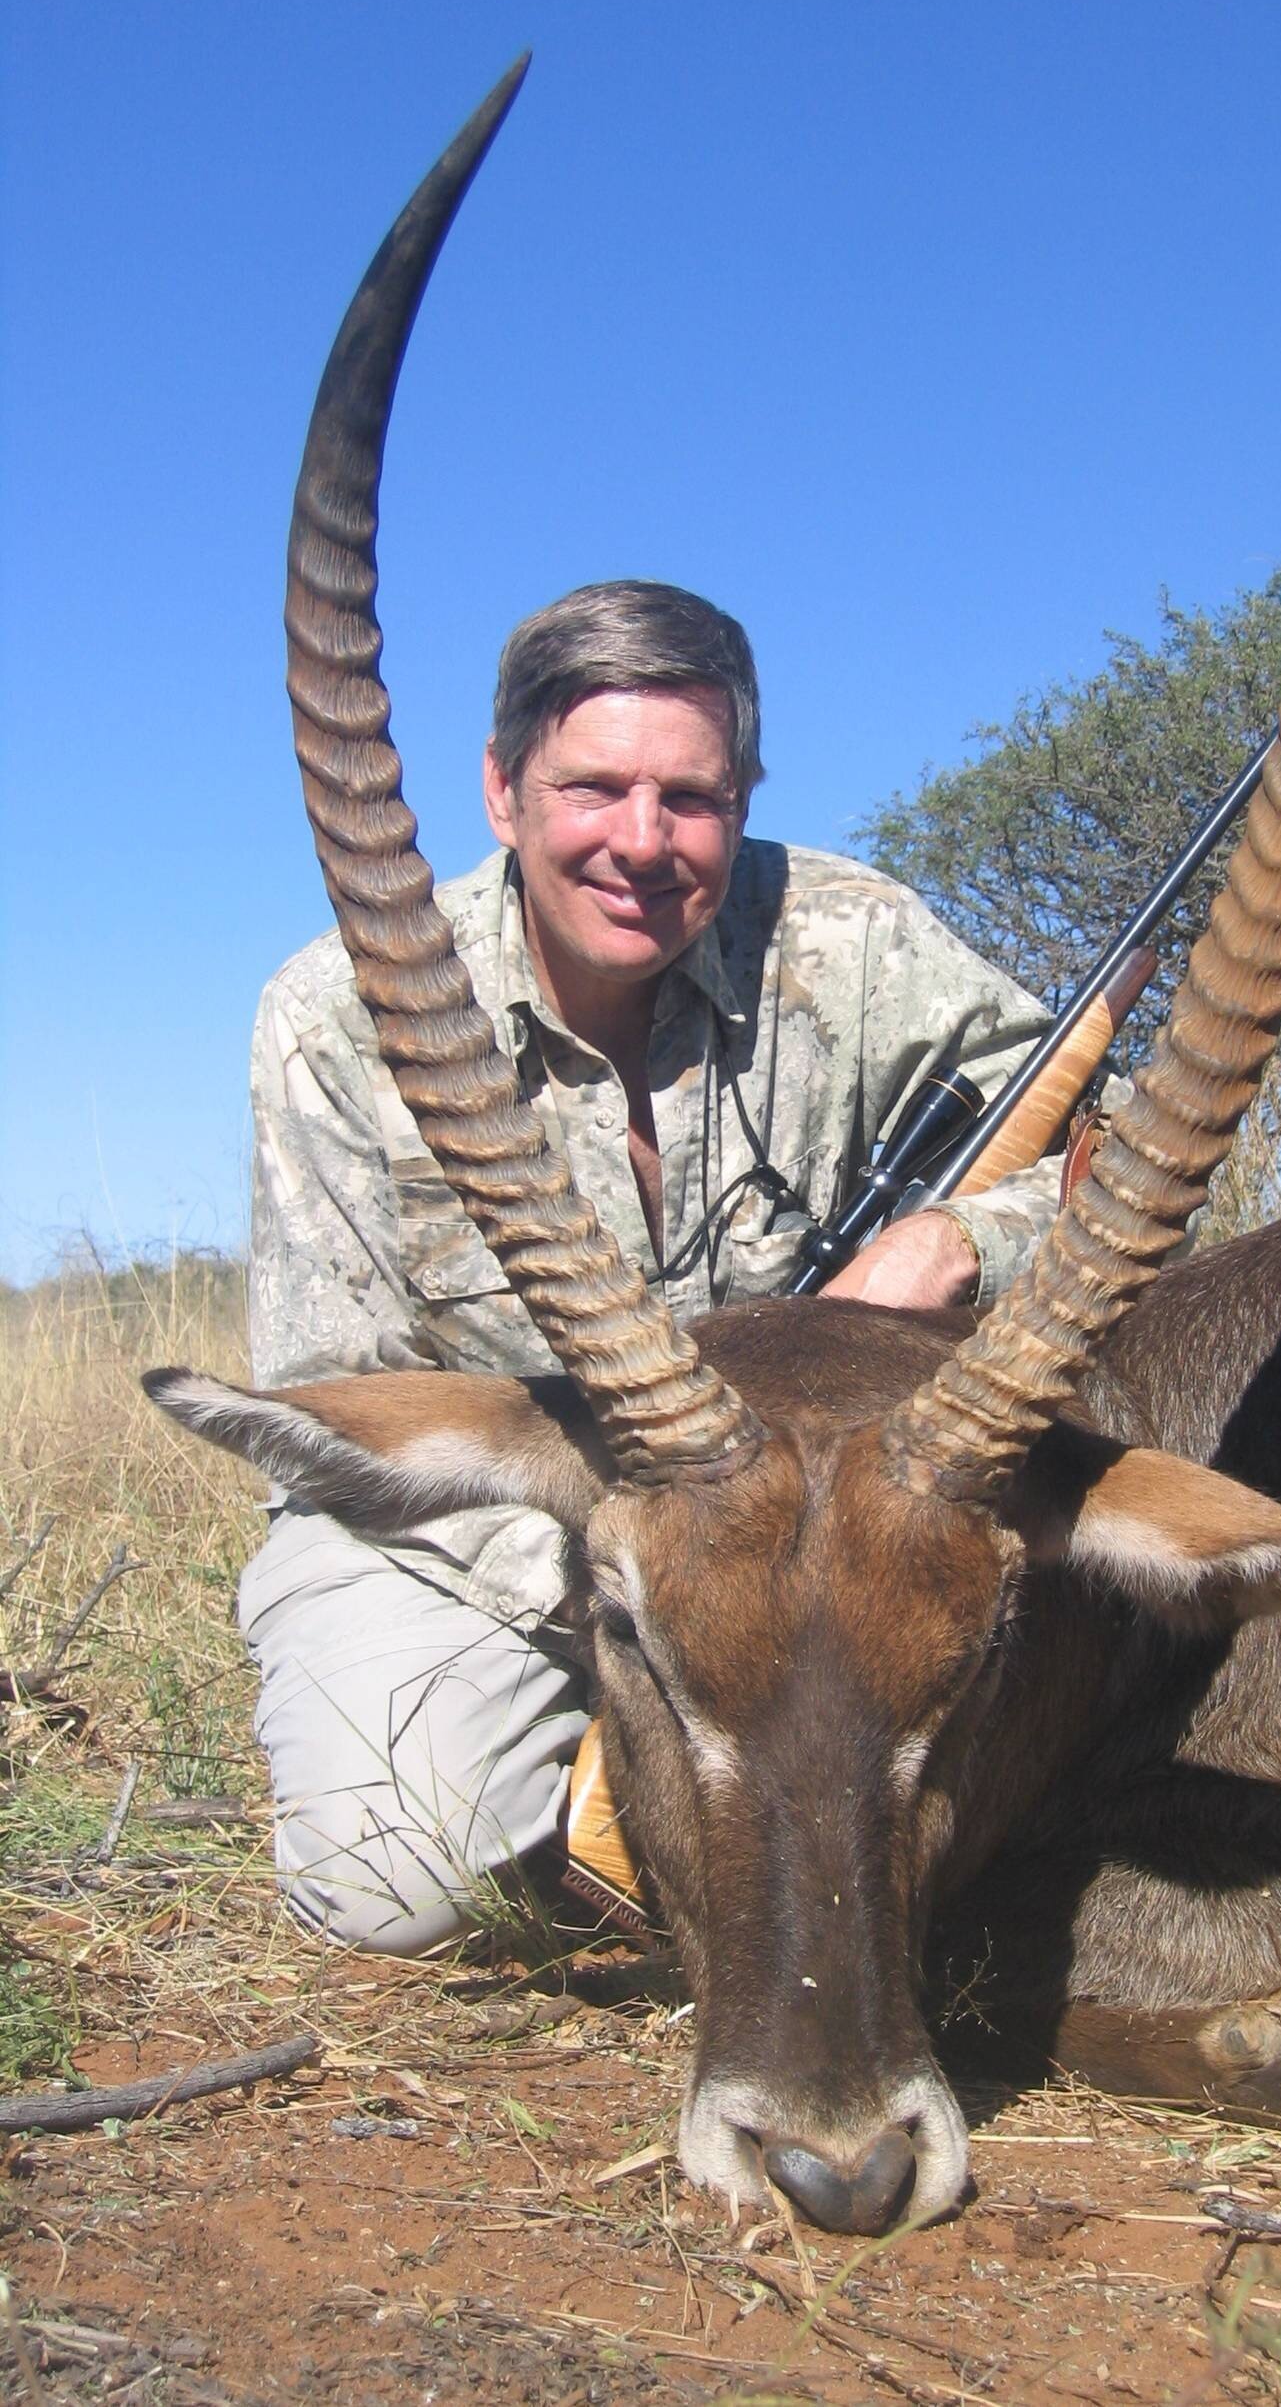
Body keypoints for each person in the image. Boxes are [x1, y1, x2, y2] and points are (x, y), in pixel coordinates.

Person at [240, 580, 1068, 1955]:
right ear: (502, 792)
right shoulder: (334, 1014)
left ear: (744, 795)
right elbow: (333, 1414)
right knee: (403, 1888)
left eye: (692, 797)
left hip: (800, 1554)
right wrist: (646, 1580)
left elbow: (1090, 1137)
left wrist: (963, 1243)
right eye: (594, 788)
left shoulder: (852, 941)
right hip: (465, 1544)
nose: (643, 842)